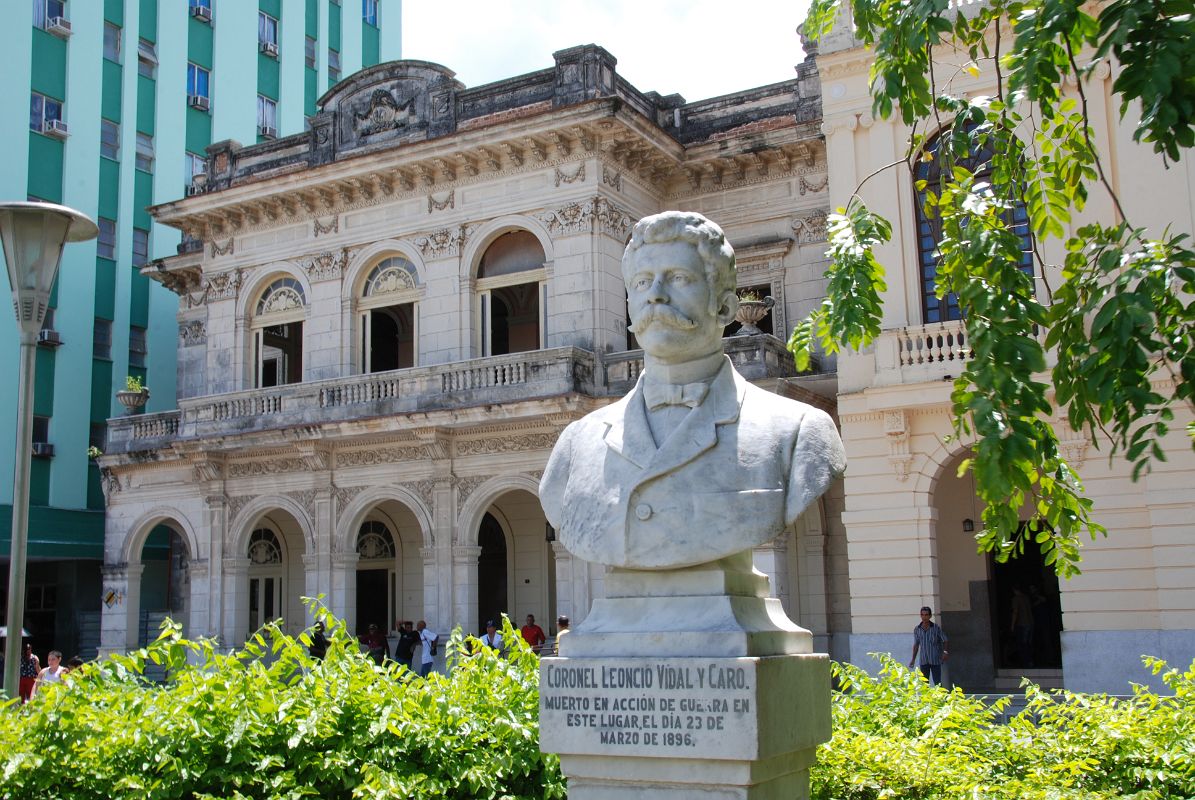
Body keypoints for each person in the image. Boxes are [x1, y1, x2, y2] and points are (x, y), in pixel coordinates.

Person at [540, 211, 846, 570]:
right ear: (629, 307)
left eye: (678, 278)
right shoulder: (576, 445)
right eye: (641, 283)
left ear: (725, 306)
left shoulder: (799, 432)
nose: (655, 296)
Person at [909, 607, 949, 686]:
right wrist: (913, 659)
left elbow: (945, 640)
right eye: (922, 615)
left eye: (926, 615)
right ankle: (926, 698)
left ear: (930, 616)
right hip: (924, 660)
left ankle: (939, 698)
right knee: (924, 683)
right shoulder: (917, 629)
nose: (924, 617)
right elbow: (916, 645)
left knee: (937, 683)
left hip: (935, 660)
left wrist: (945, 652)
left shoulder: (935, 628)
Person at [1010, 584, 1035, 668]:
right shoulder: (1026, 598)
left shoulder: (1016, 599)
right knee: (1028, 643)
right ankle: (1030, 661)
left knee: (1022, 644)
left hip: (1022, 623)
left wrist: (1012, 625)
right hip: (1030, 623)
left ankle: (1026, 662)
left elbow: (1015, 612)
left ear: (1014, 590)